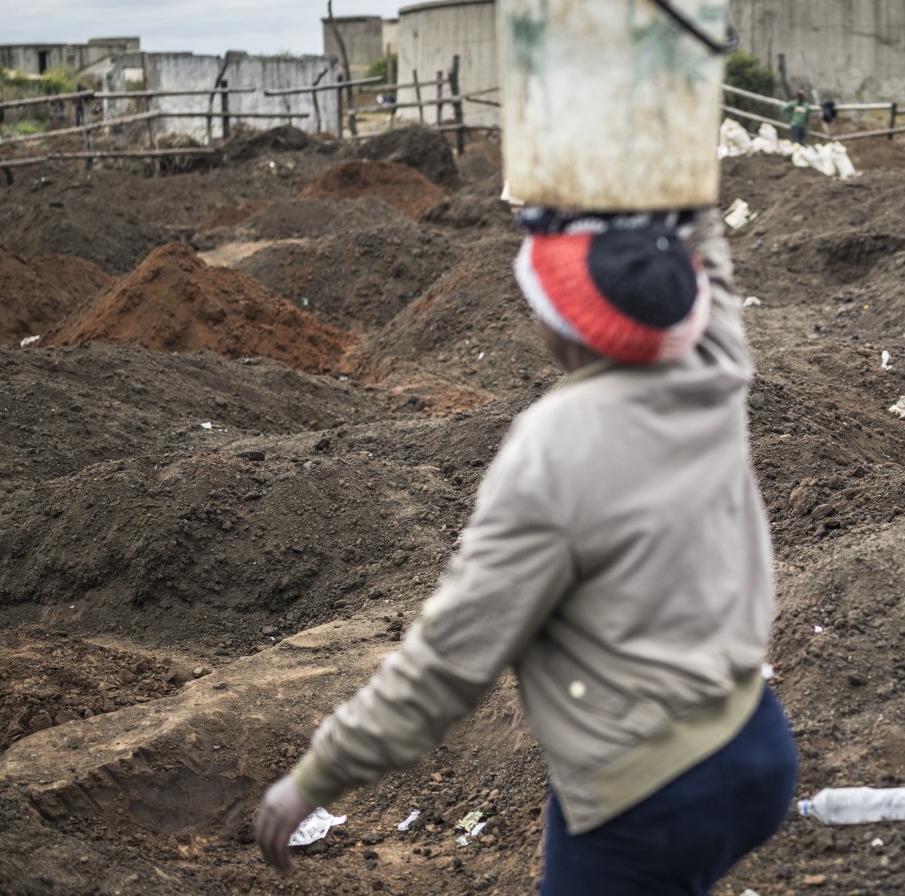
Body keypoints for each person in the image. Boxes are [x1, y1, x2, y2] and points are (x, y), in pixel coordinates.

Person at [253, 208, 798, 894]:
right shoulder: (710, 368)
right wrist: (676, 212)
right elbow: (707, 268)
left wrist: (314, 778)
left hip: (647, 792)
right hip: (755, 746)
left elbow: (451, 656)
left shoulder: (554, 448)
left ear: (559, 323)